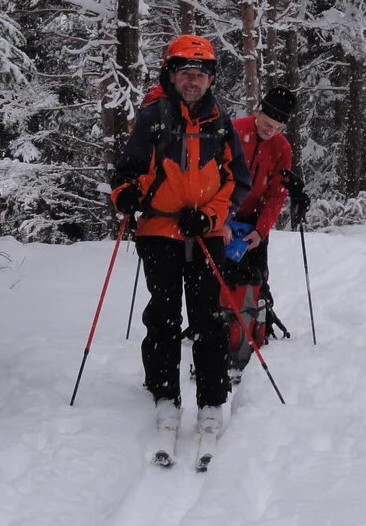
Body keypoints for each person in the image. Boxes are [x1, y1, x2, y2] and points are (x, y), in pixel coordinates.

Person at [109, 34, 251, 444]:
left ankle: (211, 400)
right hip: (159, 232)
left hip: (205, 234)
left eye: (201, 74)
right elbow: (125, 175)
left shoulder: (221, 123)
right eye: (186, 73)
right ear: (171, 75)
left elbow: (237, 183)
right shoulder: (153, 117)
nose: (193, 81)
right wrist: (127, 195)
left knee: (208, 318)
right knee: (164, 315)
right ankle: (165, 395)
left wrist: (209, 215)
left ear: (211, 80)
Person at [224, 87, 298, 371]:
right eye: (267, 124)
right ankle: (215, 325)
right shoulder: (232, 131)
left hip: (254, 220)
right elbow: (218, 177)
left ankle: (256, 323)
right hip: (223, 215)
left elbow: (276, 194)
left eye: (278, 127)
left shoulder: (282, 148)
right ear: (257, 113)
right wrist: (222, 221)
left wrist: (261, 231)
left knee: (257, 276)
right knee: (216, 275)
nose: (271, 131)